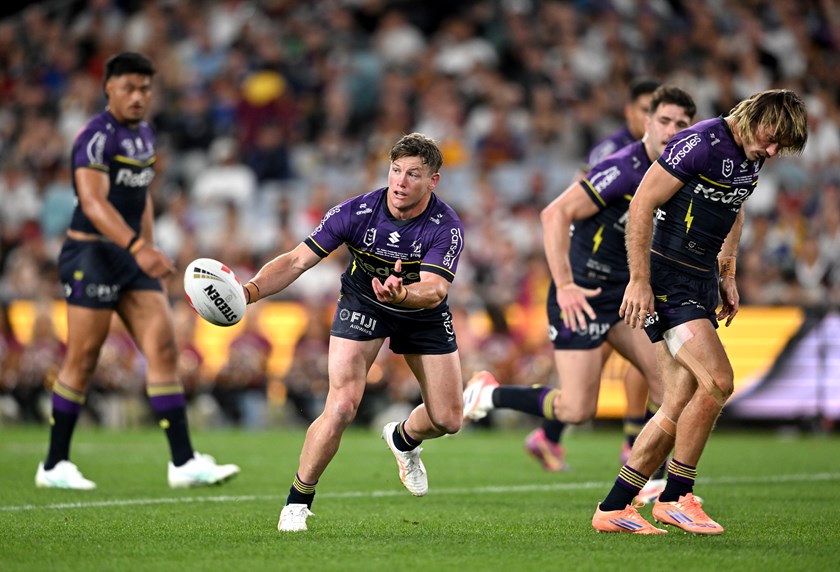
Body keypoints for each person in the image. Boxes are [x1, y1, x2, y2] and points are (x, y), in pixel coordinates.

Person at [591, 89, 808, 535]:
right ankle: (675, 497)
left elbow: (736, 208)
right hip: (667, 279)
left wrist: (727, 273)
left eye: (778, 147)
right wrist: (638, 280)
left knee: (677, 404)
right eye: (771, 139)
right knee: (719, 380)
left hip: (701, 280)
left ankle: (614, 507)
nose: (771, 151)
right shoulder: (702, 142)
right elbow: (642, 203)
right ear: (754, 117)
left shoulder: (751, 153)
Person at [463, 87, 696, 498]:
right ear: (645, 122)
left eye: (681, 124)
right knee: (576, 408)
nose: (671, 130)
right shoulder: (624, 166)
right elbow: (555, 213)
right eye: (664, 120)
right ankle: (491, 394)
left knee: (667, 383)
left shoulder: (679, 170)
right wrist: (566, 284)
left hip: (624, 297)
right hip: (583, 294)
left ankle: (651, 482)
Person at [238, 132, 465, 532]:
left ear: (434, 181)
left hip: (420, 311)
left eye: (414, 174)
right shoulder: (357, 211)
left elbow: (435, 290)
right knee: (342, 404)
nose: (400, 182)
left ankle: (403, 438)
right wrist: (249, 291)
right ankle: (297, 502)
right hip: (363, 304)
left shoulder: (444, 226)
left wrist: (403, 293)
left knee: (448, 419)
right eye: (396, 170)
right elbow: (295, 261)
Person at [35, 52, 240, 490]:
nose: (137, 96)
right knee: (83, 358)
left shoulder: (145, 135)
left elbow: (141, 196)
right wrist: (135, 246)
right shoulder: (93, 137)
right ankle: (53, 464)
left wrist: (149, 247)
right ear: (108, 88)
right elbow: (93, 203)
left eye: (145, 88)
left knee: (164, 349)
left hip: (132, 258)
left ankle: (183, 463)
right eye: (128, 87)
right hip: (91, 255)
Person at [587, 78, 663, 466]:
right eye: (648, 111)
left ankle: (642, 452)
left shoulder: (667, 156)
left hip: (637, 271)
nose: (656, 122)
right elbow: (581, 203)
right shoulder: (613, 152)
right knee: (577, 402)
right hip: (605, 273)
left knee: (655, 362)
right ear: (631, 112)